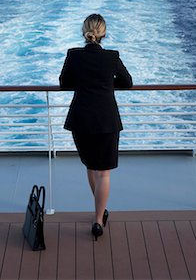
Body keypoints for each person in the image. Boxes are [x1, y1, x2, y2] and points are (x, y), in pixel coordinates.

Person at [59, 14, 133, 241]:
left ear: (85, 31)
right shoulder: (112, 57)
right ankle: (98, 220)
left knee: (91, 166)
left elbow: (64, 83)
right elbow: (127, 83)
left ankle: (99, 212)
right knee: (103, 172)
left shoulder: (74, 55)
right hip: (106, 119)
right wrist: (107, 83)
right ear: (103, 33)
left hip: (81, 118)